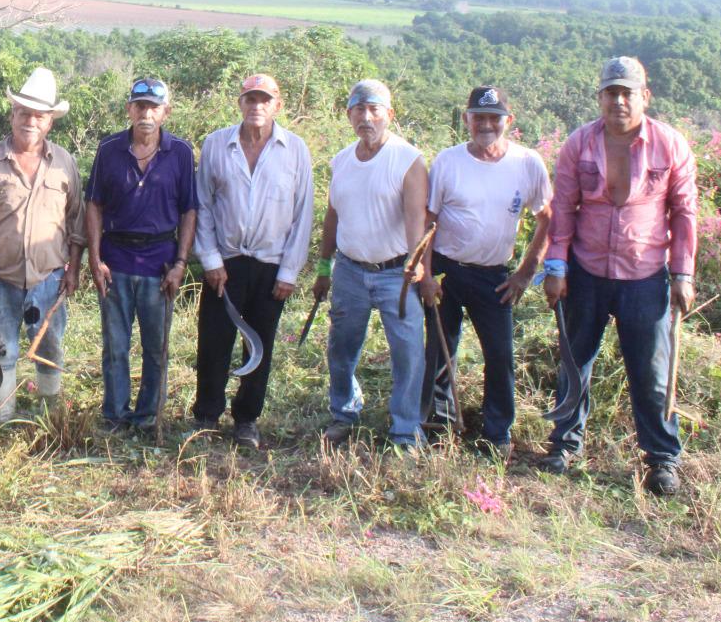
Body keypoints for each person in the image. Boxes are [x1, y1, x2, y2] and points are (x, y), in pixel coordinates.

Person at [540, 57, 697, 495]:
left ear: (645, 96)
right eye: (612, 92)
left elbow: (684, 212)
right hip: (587, 272)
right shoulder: (578, 144)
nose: (620, 100)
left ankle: (662, 459)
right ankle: (564, 446)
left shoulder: (669, 145)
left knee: (650, 372)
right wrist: (556, 267)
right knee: (575, 363)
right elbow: (563, 211)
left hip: (645, 275)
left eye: (628, 92)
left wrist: (683, 273)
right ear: (600, 97)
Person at [417, 86, 551, 460]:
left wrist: (526, 272)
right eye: (479, 117)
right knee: (440, 352)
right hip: (446, 269)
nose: (486, 125)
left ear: (509, 121)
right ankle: (438, 427)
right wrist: (425, 275)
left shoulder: (527, 163)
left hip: (494, 275)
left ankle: (497, 434)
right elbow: (429, 220)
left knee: (500, 355)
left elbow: (547, 218)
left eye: (494, 118)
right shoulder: (447, 161)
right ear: (467, 120)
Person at [191, 74, 314, 449]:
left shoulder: (295, 149)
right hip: (225, 263)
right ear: (240, 103)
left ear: (278, 104)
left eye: (265, 99)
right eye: (250, 99)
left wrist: (290, 270)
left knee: (260, 344)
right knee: (214, 341)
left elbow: (302, 214)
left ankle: (246, 419)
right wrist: (210, 259)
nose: (256, 106)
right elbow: (204, 205)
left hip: (270, 265)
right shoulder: (216, 144)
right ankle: (207, 415)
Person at [0, 68, 87, 426]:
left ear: (50, 122)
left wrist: (74, 270)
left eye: (39, 116)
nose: (30, 121)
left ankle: (51, 414)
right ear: (13, 115)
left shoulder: (64, 163)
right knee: (2, 348)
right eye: (24, 113)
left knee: (49, 347)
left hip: (48, 279)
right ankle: (4, 418)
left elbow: (77, 222)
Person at [315, 79, 430, 451]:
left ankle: (405, 429)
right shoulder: (343, 160)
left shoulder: (408, 159)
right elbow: (332, 217)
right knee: (342, 347)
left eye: (374, 110)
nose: (366, 117)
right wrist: (322, 268)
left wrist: (418, 264)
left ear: (389, 115)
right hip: (349, 270)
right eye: (359, 110)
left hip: (397, 272)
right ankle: (344, 412)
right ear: (348, 115)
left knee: (408, 351)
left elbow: (417, 220)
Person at [86, 76, 197, 432]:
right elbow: (94, 205)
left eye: (154, 107)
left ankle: (148, 417)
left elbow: (188, 211)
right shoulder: (109, 150)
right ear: (129, 109)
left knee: (155, 348)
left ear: (166, 111)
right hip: (115, 260)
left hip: (160, 263)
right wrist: (94, 257)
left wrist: (180, 263)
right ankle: (115, 415)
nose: (146, 113)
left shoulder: (179, 152)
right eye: (140, 106)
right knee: (115, 347)